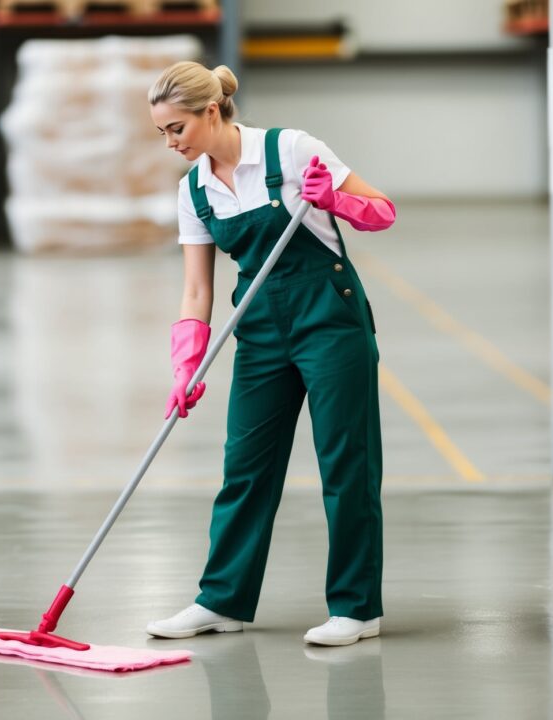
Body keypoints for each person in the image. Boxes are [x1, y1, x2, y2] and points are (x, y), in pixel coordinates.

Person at [144, 61, 397, 647]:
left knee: (346, 465)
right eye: (161, 133)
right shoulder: (194, 190)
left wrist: (334, 197)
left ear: (211, 112)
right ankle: (222, 600)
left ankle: (357, 608)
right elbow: (197, 290)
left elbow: (382, 210)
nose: (170, 143)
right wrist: (186, 364)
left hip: (330, 319)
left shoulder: (290, 151)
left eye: (176, 128)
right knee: (246, 467)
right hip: (259, 330)